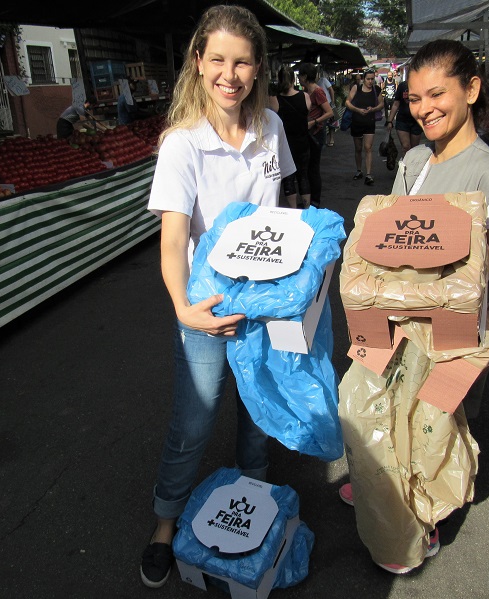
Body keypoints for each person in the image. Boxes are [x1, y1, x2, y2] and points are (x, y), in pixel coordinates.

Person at [339, 39, 489, 575]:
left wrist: (480, 357)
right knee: (369, 410)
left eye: (437, 94)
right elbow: (389, 242)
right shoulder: (416, 160)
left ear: (471, 90)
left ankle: (422, 523)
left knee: (430, 434)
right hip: (393, 323)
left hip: (452, 342)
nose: (424, 108)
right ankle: (385, 490)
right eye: (415, 97)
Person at [141, 5, 295, 589]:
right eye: (219, 60)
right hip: (205, 305)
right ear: (199, 63)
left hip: (262, 299)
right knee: (194, 421)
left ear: (257, 69)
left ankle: (252, 500)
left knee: (259, 410)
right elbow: (174, 239)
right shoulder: (182, 145)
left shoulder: (271, 130)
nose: (230, 74)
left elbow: (276, 217)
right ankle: (164, 524)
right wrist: (184, 310)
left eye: (243, 62)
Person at [269, 64, 312, 208]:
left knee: (288, 177)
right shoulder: (305, 96)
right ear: (294, 79)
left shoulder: (275, 100)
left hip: (286, 144)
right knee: (303, 176)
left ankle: (293, 210)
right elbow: (307, 112)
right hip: (303, 142)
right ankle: (306, 208)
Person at [299, 62, 334, 208]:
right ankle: (311, 200)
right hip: (310, 133)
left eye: (300, 75)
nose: (299, 78)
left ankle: (315, 201)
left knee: (313, 168)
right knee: (308, 167)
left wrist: (314, 121)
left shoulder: (317, 92)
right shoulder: (307, 91)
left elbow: (329, 112)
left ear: (305, 76)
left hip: (316, 134)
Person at [345, 69, 384, 186]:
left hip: (370, 122)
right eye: (368, 79)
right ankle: (359, 170)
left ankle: (368, 174)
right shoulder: (356, 88)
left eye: (372, 79)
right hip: (357, 121)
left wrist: (373, 109)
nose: (370, 81)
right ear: (363, 79)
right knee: (358, 148)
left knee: (368, 148)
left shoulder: (376, 89)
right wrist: (357, 110)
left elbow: (382, 103)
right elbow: (347, 102)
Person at [386, 74, 421, 155]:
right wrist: (389, 121)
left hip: (416, 121)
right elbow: (396, 104)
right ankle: (405, 166)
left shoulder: (421, 86)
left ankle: (413, 166)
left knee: (414, 149)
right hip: (402, 120)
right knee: (405, 146)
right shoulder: (402, 86)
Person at [315, 67, 337, 146]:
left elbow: (331, 90)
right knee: (323, 124)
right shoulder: (313, 83)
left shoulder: (323, 80)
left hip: (328, 103)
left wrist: (332, 101)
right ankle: (323, 142)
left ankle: (331, 139)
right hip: (319, 106)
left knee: (331, 123)